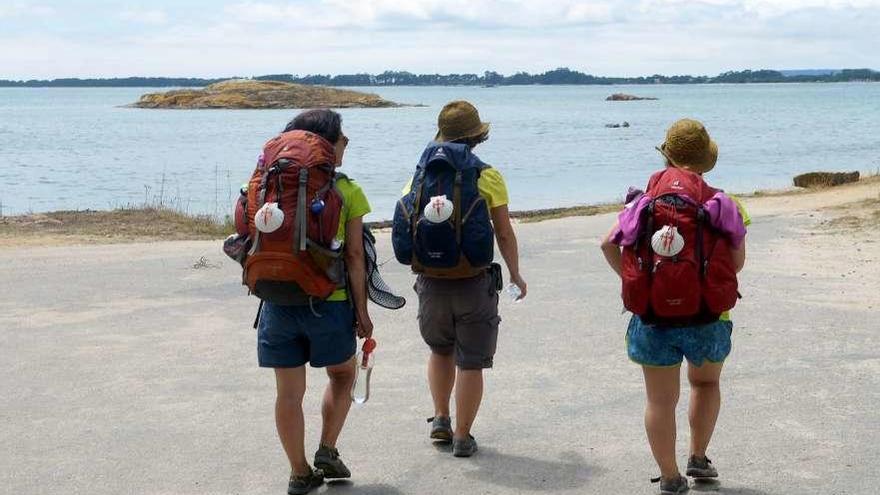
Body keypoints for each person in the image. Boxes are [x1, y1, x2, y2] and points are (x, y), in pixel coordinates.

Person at [600, 119, 749, 494]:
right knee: (706, 382)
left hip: (652, 317)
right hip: (708, 316)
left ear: (667, 156)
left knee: (659, 400)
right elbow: (737, 263)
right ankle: (698, 456)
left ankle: (669, 477)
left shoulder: (642, 202)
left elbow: (607, 244)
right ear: (704, 160)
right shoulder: (724, 203)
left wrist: (635, 280)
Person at [393, 100, 527, 457]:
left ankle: (440, 418)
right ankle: (463, 436)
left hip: (430, 281)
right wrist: (515, 274)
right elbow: (504, 232)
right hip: (473, 279)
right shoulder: (488, 176)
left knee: (440, 349)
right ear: (475, 138)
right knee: (471, 361)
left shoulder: (419, 175)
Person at [253, 109, 373, 494]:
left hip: (276, 301)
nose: (347, 143)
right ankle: (327, 448)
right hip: (330, 303)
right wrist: (364, 313)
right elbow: (355, 257)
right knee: (342, 374)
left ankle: (299, 472)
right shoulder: (347, 190)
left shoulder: (264, 185)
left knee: (288, 393)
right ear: (326, 143)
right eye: (342, 137)